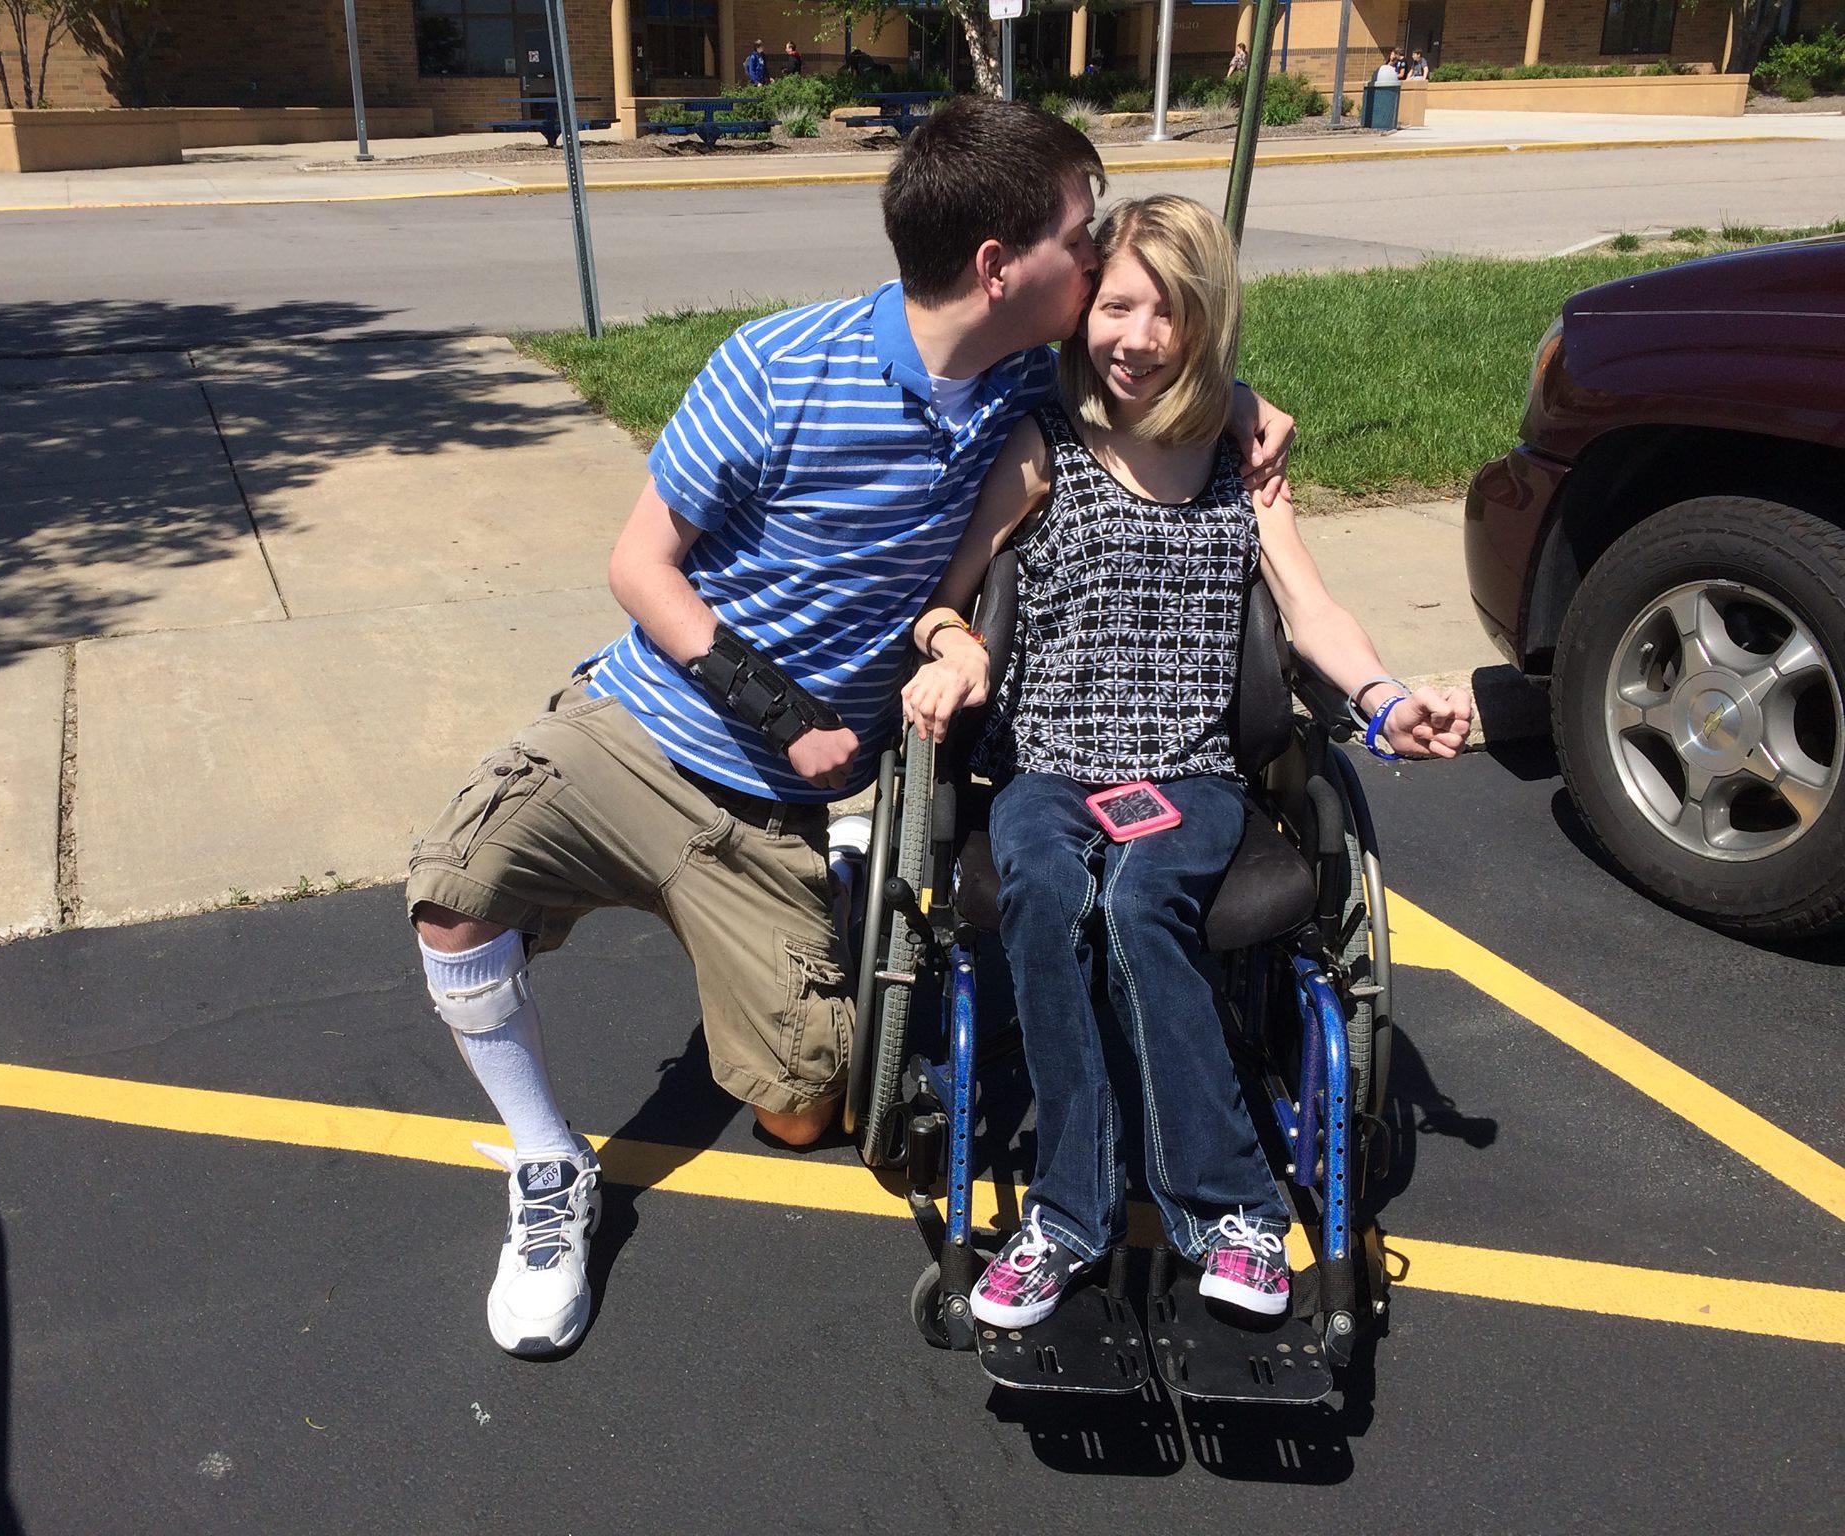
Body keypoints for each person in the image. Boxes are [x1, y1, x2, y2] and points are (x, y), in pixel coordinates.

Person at [405, 102, 1297, 1360]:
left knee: (802, 1112)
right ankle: (547, 1167)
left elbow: (1154, 378)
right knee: (453, 891)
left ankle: (815, 904)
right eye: (1079, 237)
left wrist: (1247, 408)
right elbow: (637, 563)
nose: (1098, 263)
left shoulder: (1016, 399)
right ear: (999, 265)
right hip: (638, 734)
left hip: (771, 817)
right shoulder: (776, 365)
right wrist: (780, 711)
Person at [900, 194, 1468, 1330]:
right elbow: (945, 597)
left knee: (1146, 898)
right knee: (1052, 895)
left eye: (1168, 312)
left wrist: (1384, 696)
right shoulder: (1041, 445)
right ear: (1081, 314)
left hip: (1191, 773)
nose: (1136, 337)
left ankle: (1232, 1213)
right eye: (1115, 306)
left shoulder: (1237, 463)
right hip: (1047, 770)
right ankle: (1067, 1214)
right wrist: (949, 648)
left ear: (1205, 325)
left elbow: (1307, 607)